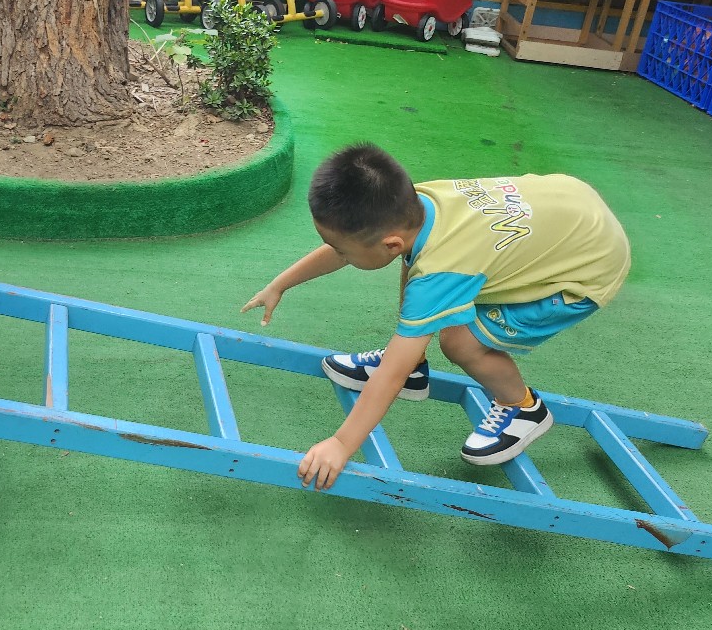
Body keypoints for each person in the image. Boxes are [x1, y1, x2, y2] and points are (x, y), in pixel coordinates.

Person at [243, 143, 630, 491]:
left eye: (340, 249)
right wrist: (282, 283)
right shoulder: (420, 203)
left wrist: (342, 444)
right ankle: (417, 367)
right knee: (417, 268)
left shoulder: (442, 267)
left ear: (389, 243)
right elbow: (354, 250)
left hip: (587, 269)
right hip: (569, 202)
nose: (337, 253)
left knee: (460, 342)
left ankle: (523, 406)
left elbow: (390, 374)